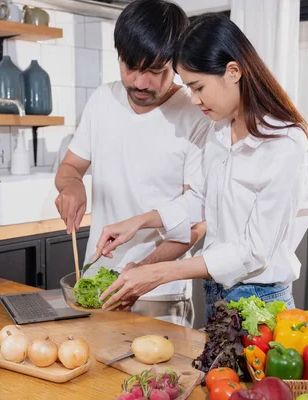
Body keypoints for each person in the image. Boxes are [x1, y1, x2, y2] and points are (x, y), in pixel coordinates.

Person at [95, 13, 308, 318]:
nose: (193, 100)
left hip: (261, 302)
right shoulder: (219, 131)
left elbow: (253, 252)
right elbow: (201, 200)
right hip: (217, 294)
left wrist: (163, 272)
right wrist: (139, 221)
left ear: (233, 72)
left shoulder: (286, 144)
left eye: (198, 87)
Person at [54, 0, 211, 327]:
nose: (140, 82)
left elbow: (196, 222)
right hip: (95, 287)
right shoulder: (102, 100)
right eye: (130, 67)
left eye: (155, 71)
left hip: (158, 295)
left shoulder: (197, 115)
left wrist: (143, 272)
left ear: (177, 63)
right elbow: (70, 168)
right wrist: (71, 187)